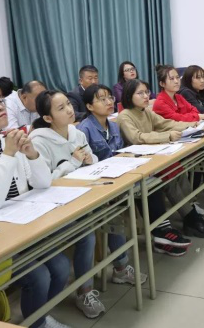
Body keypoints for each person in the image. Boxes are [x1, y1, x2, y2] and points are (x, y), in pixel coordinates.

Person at [0, 86, 70, 328]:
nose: (0, 106)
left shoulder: (10, 141)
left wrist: (31, 154)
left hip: (20, 227)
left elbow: (43, 182)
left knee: (61, 267)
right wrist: (9, 154)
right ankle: (37, 323)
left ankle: (39, 316)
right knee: (39, 277)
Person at [29, 91, 105, 319]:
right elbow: (44, 181)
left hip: (80, 197)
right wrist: (71, 162)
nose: (70, 109)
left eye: (69, 104)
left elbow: (92, 160)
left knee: (112, 214)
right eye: (61, 108)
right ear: (48, 118)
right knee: (87, 235)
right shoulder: (38, 141)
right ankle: (84, 291)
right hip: (50, 206)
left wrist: (90, 159)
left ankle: (118, 267)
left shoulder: (76, 132)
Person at [117, 79, 204, 238]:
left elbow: (165, 123)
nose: (146, 96)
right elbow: (137, 138)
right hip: (139, 162)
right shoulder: (125, 116)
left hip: (154, 155)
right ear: (129, 96)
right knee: (170, 176)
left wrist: (191, 124)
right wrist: (167, 136)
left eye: (146, 92)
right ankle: (190, 218)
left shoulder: (145, 111)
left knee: (177, 169)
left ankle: (190, 210)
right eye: (140, 93)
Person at [76, 84, 147, 285]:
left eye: (110, 97)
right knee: (115, 215)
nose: (109, 102)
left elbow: (120, 153)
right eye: (102, 99)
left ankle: (122, 265)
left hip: (116, 181)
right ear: (89, 106)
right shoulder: (84, 129)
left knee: (142, 193)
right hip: (96, 188)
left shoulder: (113, 126)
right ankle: (121, 268)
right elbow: (83, 166)